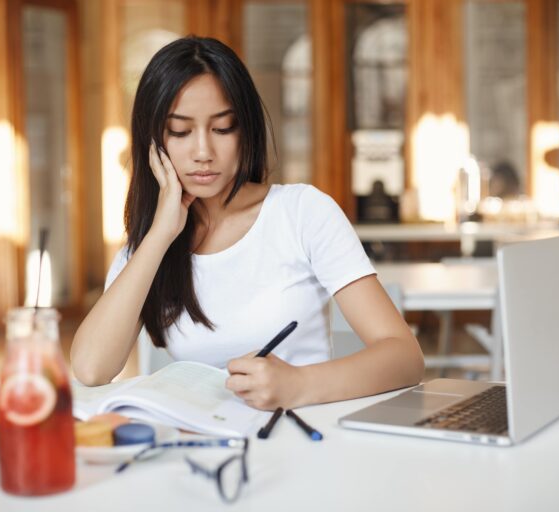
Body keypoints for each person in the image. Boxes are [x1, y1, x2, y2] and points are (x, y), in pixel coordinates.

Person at [71, 36, 424, 410]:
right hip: (203, 445)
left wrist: (299, 384)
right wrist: (160, 234)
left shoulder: (303, 212)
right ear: (154, 142)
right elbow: (91, 369)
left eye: (222, 128)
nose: (203, 152)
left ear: (246, 132)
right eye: (180, 131)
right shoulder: (149, 245)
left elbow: (405, 357)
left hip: (299, 439)